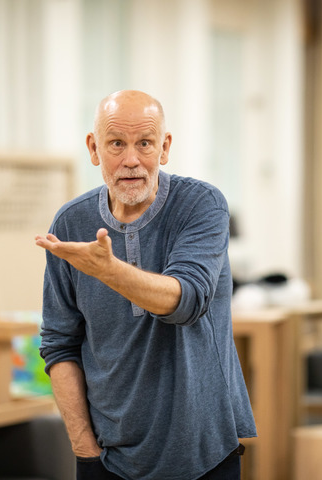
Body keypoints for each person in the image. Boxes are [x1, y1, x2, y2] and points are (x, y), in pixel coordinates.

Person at [36, 90, 256, 480]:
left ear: (165, 147)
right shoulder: (70, 223)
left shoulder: (202, 205)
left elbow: (186, 301)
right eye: (117, 144)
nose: (131, 160)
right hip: (107, 459)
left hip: (204, 454)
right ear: (94, 148)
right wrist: (84, 448)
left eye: (145, 143)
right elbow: (59, 343)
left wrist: (109, 271)